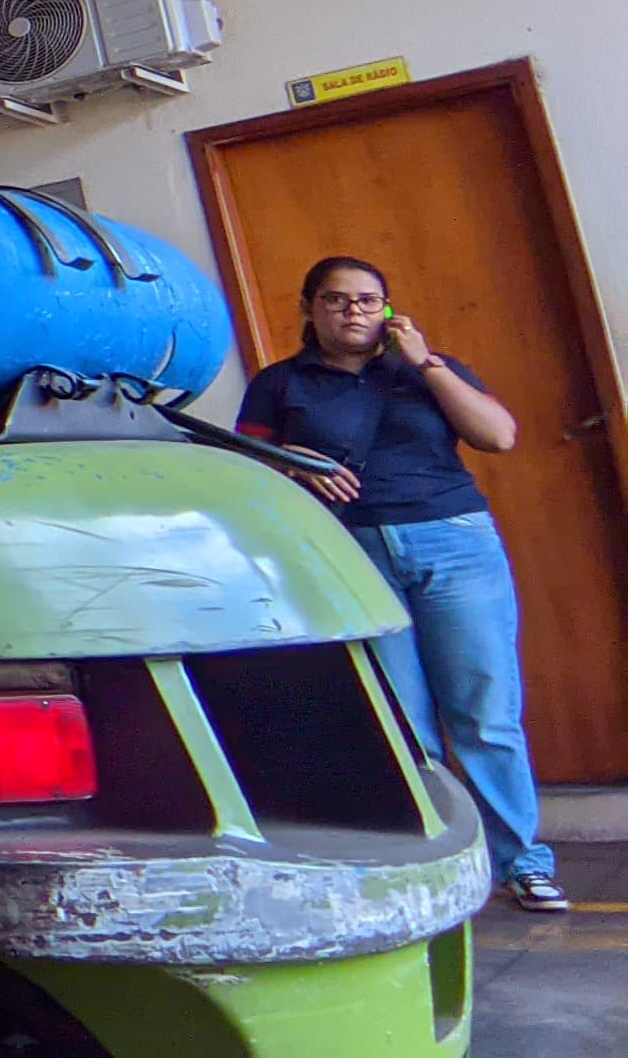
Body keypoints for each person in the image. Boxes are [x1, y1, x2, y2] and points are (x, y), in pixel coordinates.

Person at [237, 256, 566, 914]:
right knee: (402, 720)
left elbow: (498, 436)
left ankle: (522, 863)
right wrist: (295, 469)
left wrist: (427, 364)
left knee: (484, 710)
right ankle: (439, 861)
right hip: (353, 551)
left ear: (387, 310)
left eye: (368, 300)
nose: (353, 311)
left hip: (454, 543)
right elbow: (245, 468)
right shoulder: (280, 384)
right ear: (310, 309)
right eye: (336, 300)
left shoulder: (426, 369)